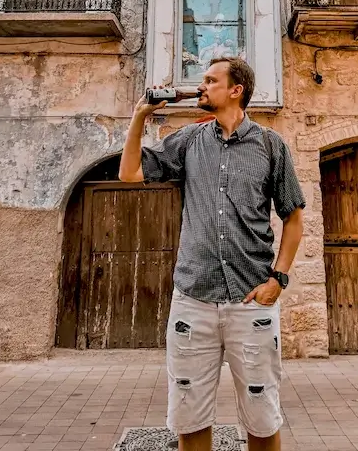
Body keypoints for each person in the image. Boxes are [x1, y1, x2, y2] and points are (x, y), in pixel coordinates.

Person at [119, 57, 305, 451]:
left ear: (235, 90)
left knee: (262, 414)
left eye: (210, 80)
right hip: (193, 300)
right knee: (189, 415)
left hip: (250, 299)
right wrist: (139, 118)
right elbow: (130, 174)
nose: (200, 86)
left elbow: (293, 219)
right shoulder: (188, 141)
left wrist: (279, 279)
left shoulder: (271, 146)